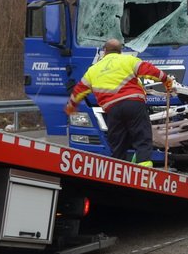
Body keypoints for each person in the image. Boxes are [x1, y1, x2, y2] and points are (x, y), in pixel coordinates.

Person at [64, 38, 174, 168]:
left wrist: (71, 106)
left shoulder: (93, 70)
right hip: (133, 104)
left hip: (113, 110)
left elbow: (78, 91)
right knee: (141, 137)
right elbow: (150, 70)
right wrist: (166, 81)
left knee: (118, 144)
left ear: (104, 51)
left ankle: (119, 172)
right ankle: (145, 169)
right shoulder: (128, 60)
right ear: (120, 51)